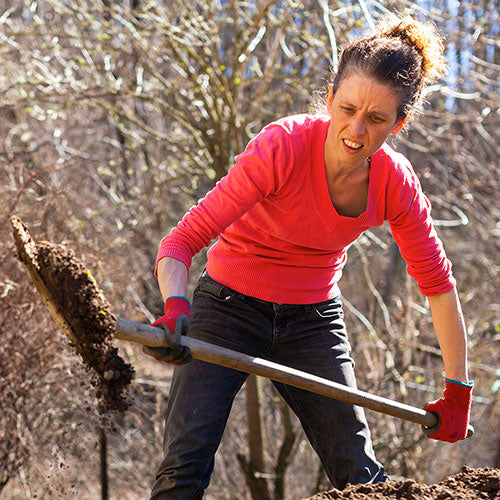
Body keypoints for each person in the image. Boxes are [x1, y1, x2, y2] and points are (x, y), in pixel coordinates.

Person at [144, 15, 473, 499]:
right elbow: (180, 243)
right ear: (331, 96)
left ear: (399, 123)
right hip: (227, 307)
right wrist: (176, 306)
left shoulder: (395, 183)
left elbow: (439, 290)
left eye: (377, 118)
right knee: (183, 467)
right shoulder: (282, 148)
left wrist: (458, 391)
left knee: (360, 475)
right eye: (347, 108)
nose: (356, 130)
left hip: (312, 322)